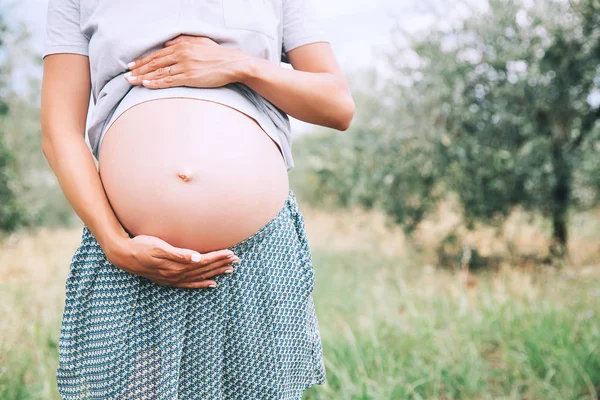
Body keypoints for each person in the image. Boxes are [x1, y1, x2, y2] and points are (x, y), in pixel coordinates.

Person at [40, 0, 355, 398]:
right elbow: (59, 131)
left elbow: (338, 105)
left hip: (253, 256)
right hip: (132, 257)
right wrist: (115, 244)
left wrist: (239, 65)